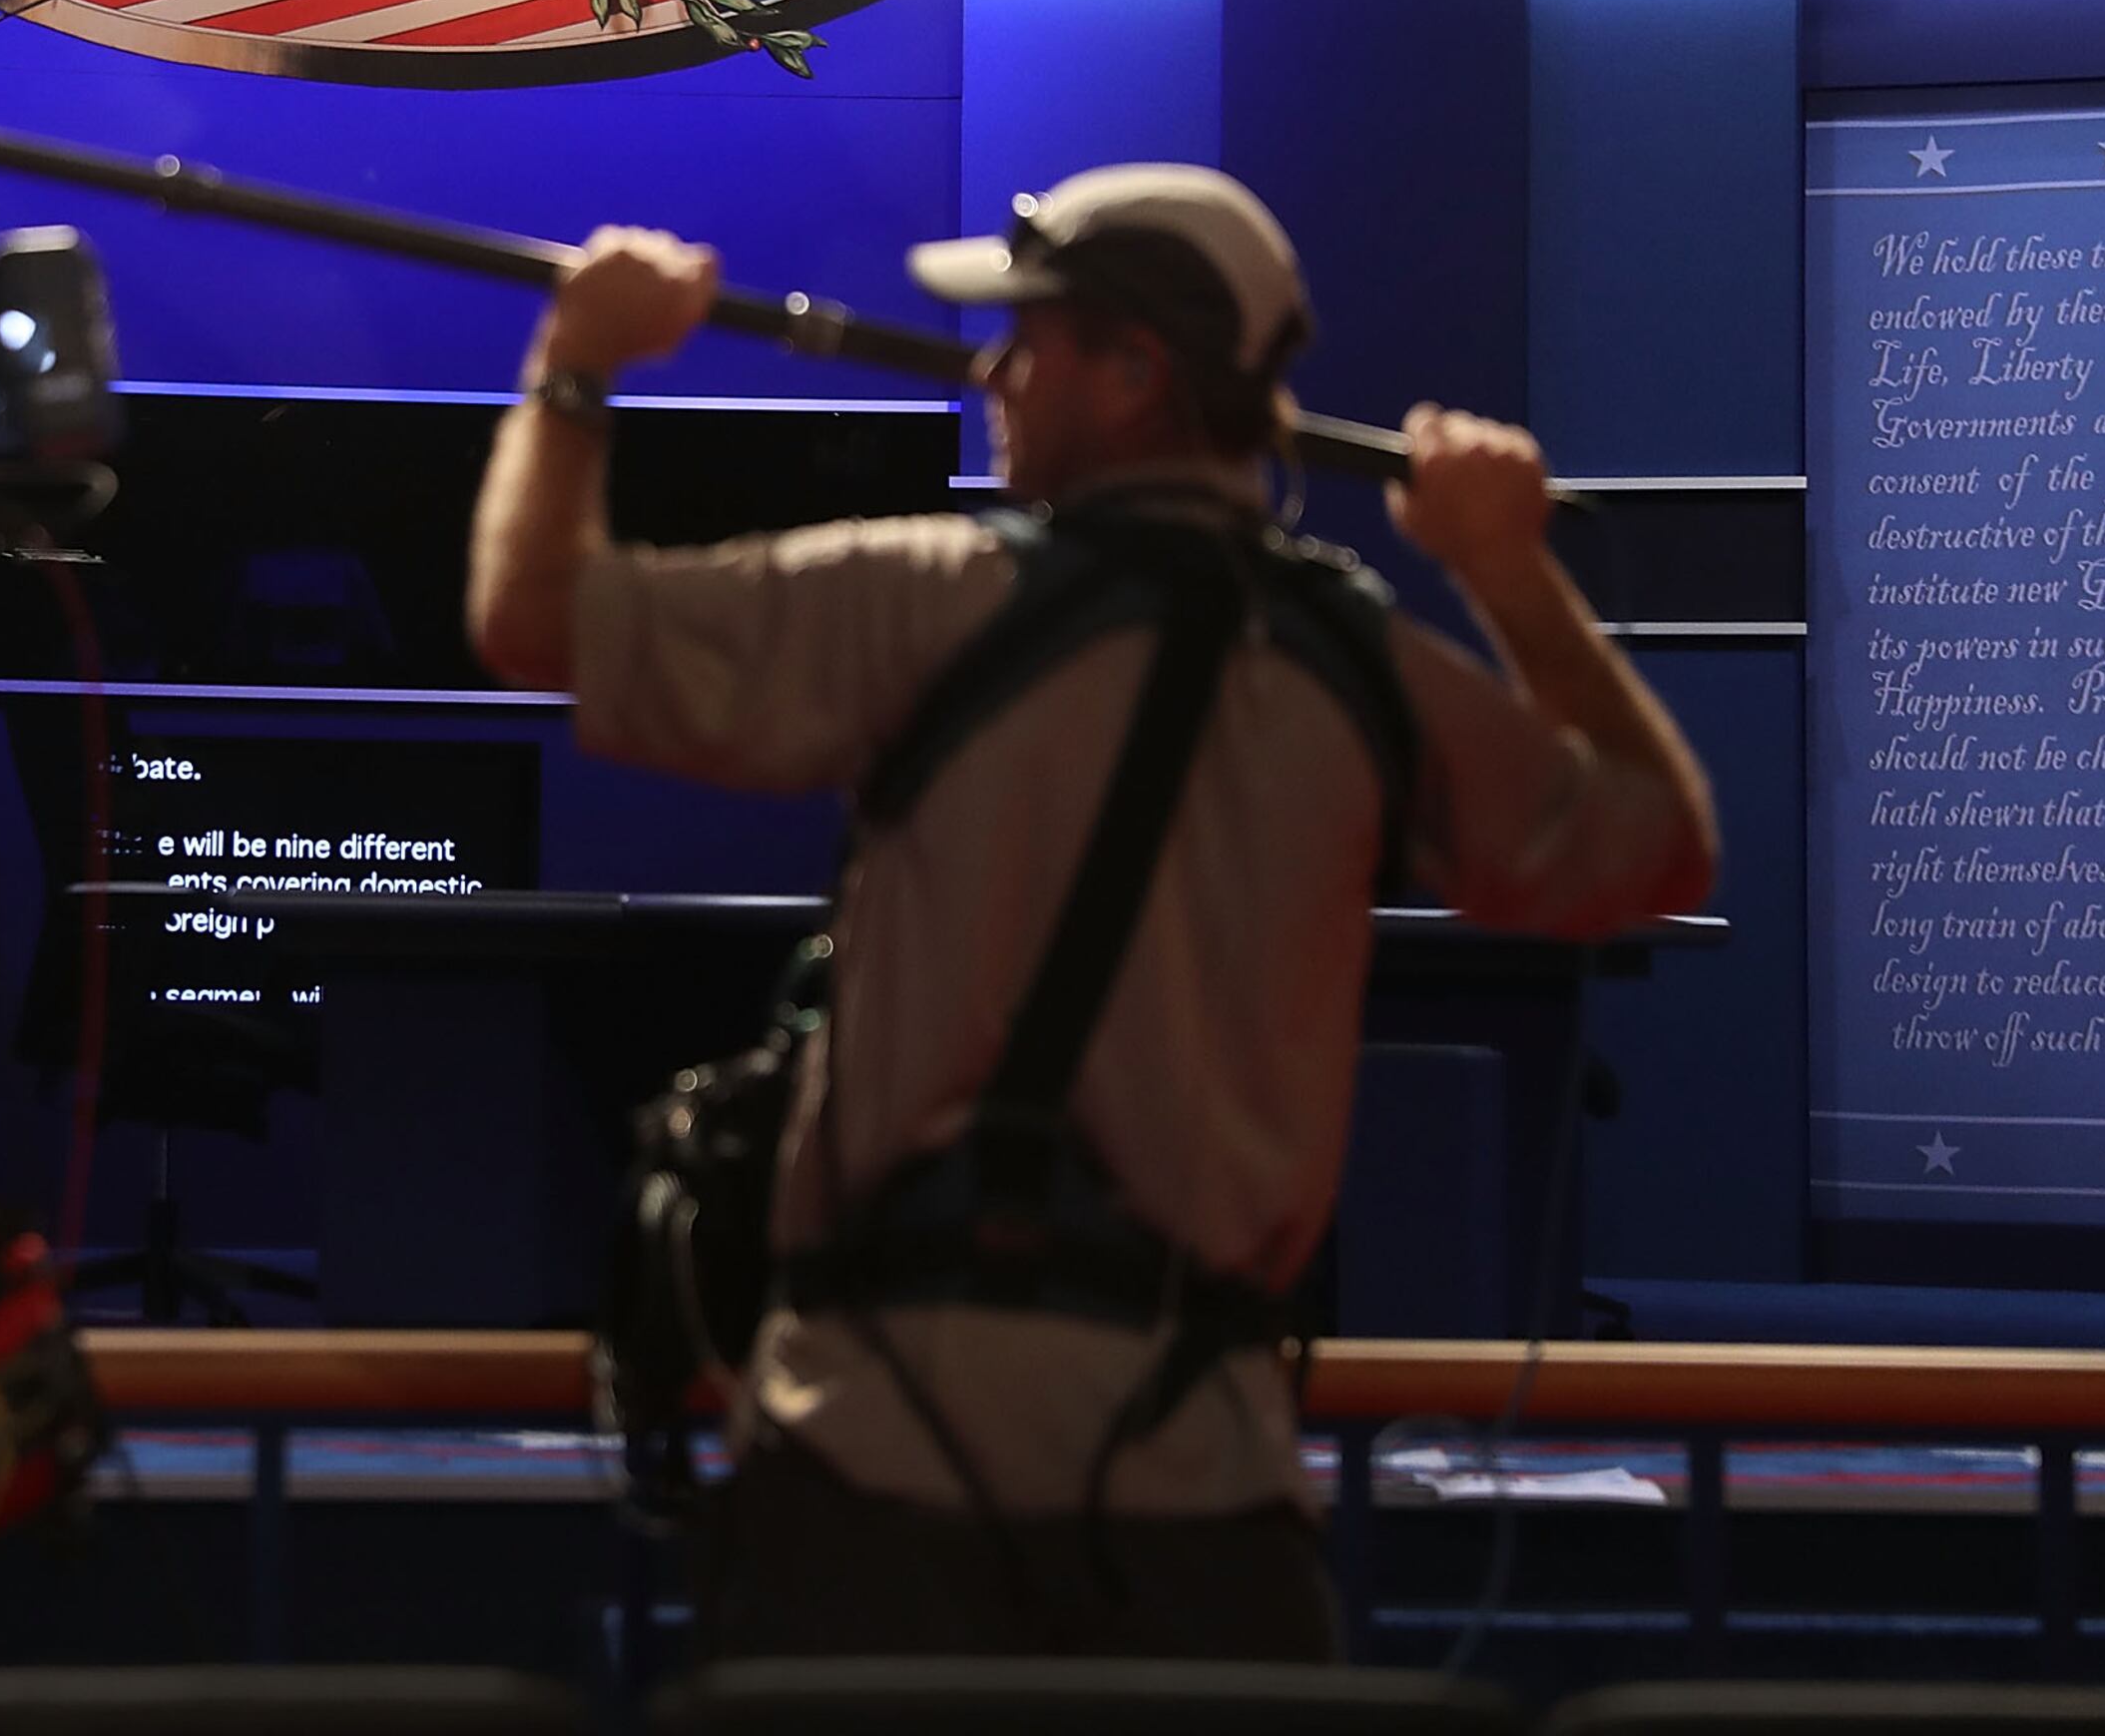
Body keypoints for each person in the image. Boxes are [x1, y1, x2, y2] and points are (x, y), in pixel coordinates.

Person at [466, 164, 1717, 1662]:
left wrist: (577, 364)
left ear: (1133, 373)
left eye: (1030, 337)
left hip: (875, 1492)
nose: (995, 368)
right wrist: (1508, 578)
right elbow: (1657, 854)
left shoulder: (921, 594)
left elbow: (533, 616)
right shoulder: (1368, 666)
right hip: (1209, 1513)